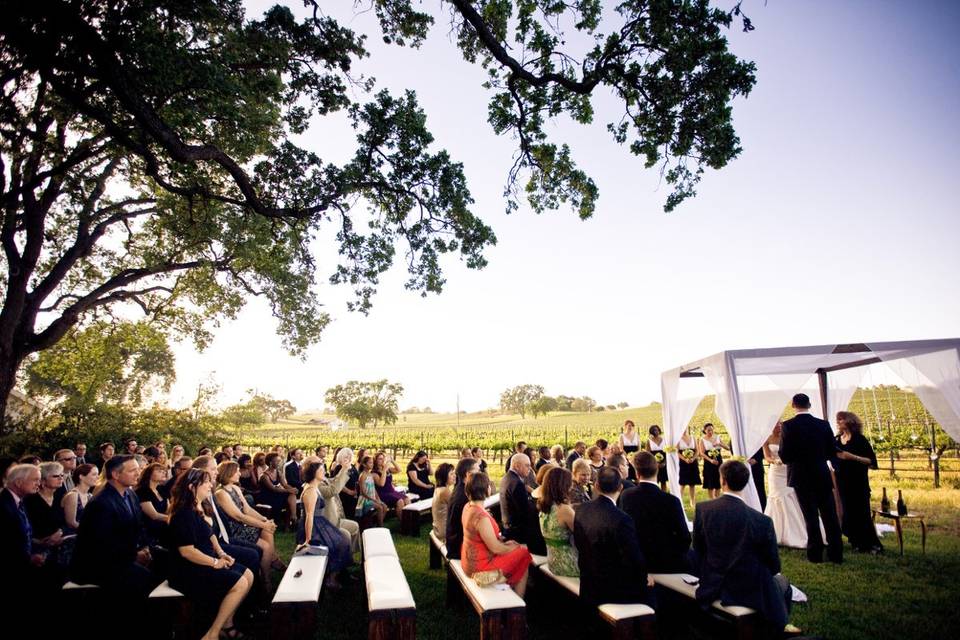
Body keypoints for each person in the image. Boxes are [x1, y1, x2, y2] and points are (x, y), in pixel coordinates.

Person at [692, 461, 794, 636]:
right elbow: (773, 566)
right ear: (746, 483)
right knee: (783, 584)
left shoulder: (703, 509)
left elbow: (698, 549)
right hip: (748, 589)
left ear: (722, 481)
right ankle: (778, 627)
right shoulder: (761, 521)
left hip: (712, 583)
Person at [168, 469, 254, 640]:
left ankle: (226, 625)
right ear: (192, 487)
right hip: (188, 568)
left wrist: (221, 553)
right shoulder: (183, 513)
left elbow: (210, 533)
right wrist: (215, 562)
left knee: (248, 575)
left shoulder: (201, 505)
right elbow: (187, 551)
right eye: (206, 482)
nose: (211, 485)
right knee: (240, 583)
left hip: (205, 558)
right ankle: (211, 634)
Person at [71, 456, 162, 603]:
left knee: (166, 565)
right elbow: (101, 544)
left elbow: (138, 527)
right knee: (147, 581)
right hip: (99, 565)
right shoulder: (101, 503)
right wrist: (134, 555)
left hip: (123, 557)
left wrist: (145, 548)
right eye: (133, 470)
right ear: (115, 474)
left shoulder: (130, 494)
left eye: (138, 470)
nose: (138, 474)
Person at [778, 393, 844, 564]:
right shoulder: (823, 424)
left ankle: (815, 555)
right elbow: (831, 451)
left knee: (810, 516)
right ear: (810, 404)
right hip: (821, 474)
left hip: (801, 477)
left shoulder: (788, 426)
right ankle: (836, 554)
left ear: (793, 405)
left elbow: (785, 456)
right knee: (829, 515)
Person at [574, 467, 652, 608]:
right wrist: (645, 577)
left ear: (596, 486)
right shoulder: (622, 519)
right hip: (613, 589)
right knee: (652, 594)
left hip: (588, 581)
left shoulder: (581, 509)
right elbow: (633, 559)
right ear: (621, 487)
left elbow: (580, 545)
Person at [620, 452, 692, 573]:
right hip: (667, 563)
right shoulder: (671, 501)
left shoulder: (626, 496)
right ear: (657, 470)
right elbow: (684, 537)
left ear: (637, 474)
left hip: (637, 560)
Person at [462, 472, 532, 596]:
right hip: (480, 568)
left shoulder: (468, 507)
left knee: (519, 553)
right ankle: (517, 604)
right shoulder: (481, 517)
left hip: (469, 561)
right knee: (524, 553)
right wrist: (513, 546)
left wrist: (505, 542)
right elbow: (496, 548)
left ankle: (512, 594)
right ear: (486, 489)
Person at [215, 461, 283, 583]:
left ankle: (268, 564)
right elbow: (239, 516)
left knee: (267, 531)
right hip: (233, 530)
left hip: (242, 525)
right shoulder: (221, 493)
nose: (239, 474)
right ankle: (266, 577)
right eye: (236, 472)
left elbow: (247, 509)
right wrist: (263, 524)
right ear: (228, 473)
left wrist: (265, 520)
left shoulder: (235, 488)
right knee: (266, 546)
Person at [297, 460, 352, 588]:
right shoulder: (310, 490)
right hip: (315, 527)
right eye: (321, 470)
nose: (324, 472)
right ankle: (331, 578)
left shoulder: (315, 486)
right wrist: (308, 539)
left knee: (343, 539)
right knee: (340, 541)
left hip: (320, 523)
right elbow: (309, 516)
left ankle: (336, 574)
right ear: (313, 473)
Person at [834, 411, 883, 553]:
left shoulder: (859, 440)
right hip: (842, 482)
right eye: (837, 420)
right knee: (848, 512)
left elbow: (871, 461)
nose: (838, 422)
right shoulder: (836, 440)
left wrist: (852, 457)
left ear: (850, 421)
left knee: (862, 512)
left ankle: (870, 544)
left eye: (841, 419)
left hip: (858, 482)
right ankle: (855, 541)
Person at [1, 464, 49, 603]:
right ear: (18, 482)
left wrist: (39, 543)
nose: (39, 484)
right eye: (35, 480)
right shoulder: (3, 506)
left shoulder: (18, 502)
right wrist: (28, 558)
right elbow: (5, 544)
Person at [763, 421, 815, 548]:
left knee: (792, 496)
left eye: (780, 425)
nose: (779, 427)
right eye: (776, 425)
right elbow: (767, 457)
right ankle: (778, 532)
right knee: (776, 497)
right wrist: (774, 461)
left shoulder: (787, 436)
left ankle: (797, 531)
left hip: (789, 469)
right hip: (775, 472)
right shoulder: (766, 439)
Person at [499, 453, 546, 555]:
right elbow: (526, 512)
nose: (529, 469)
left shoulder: (506, 478)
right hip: (516, 532)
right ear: (517, 466)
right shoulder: (517, 483)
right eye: (527, 465)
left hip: (508, 528)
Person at [317, 448, 361, 553]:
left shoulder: (323, 480)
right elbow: (333, 490)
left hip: (336, 519)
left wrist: (344, 469)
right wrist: (344, 469)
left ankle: (351, 554)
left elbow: (334, 480)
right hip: (327, 523)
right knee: (345, 534)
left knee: (355, 526)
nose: (323, 469)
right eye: (321, 468)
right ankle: (343, 561)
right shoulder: (315, 485)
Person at [537, 466, 578, 577]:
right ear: (563, 486)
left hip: (552, 561)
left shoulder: (543, 506)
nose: (571, 487)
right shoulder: (564, 509)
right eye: (570, 483)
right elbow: (583, 536)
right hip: (568, 563)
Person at [24, 461, 66, 558]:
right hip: (35, 550)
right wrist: (40, 541)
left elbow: (65, 522)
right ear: (42, 480)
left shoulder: (61, 496)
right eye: (55, 476)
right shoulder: (29, 500)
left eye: (62, 475)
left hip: (59, 547)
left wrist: (60, 532)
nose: (60, 478)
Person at [445, 457, 479, 560]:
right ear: (468, 474)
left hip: (455, 542)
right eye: (477, 470)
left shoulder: (461, 488)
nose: (480, 473)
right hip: (459, 548)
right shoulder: (464, 495)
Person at [260, 452, 298, 528]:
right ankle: (293, 520)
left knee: (292, 494)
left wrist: (292, 489)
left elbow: (284, 485)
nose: (279, 463)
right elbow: (273, 489)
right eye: (277, 461)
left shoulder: (278, 472)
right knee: (289, 496)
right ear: (271, 462)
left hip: (277, 494)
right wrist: (288, 490)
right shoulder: (264, 476)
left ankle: (293, 517)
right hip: (268, 497)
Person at [135, 462, 169, 546]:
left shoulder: (161, 489)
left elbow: (169, 509)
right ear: (149, 474)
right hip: (148, 532)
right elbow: (154, 515)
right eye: (159, 471)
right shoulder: (142, 491)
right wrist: (174, 519)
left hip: (163, 529)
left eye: (164, 471)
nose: (163, 472)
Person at [373, 452, 410, 519]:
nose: (383, 460)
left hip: (392, 491)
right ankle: (402, 523)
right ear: (375, 461)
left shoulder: (388, 469)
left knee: (407, 499)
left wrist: (392, 460)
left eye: (383, 458)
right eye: (380, 459)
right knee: (400, 501)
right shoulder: (374, 473)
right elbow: (381, 484)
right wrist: (384, 470)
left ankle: (409, 519)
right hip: (383, 494)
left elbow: (399, 470)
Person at [62, 463, 98, 532]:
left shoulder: (90, 496)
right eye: (94, 474)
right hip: (71, 535)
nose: (98, 477)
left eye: (97, 474)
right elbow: (71, 523)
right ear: (81, 476)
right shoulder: (73, 495)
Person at [356, 455, 388, 528]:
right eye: (370, 463)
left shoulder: (371, 475)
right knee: (380, 507)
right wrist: (373, 500)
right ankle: (381, 526)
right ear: (364, 464)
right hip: (364, 500)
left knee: (385, 506)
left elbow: (373, 489)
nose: (372, 464)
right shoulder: (362, 475)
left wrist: (378, 499)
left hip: (372, 498)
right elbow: (362, 492)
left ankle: (377, 523)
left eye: (372, 463)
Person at [699, 424, 728, 499]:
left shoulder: (717, 437)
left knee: (718, 480)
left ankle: (717, 497)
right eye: (708, 430)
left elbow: (728, 448)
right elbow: (701, 453)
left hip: (718, 461)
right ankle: (711, 499)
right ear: (705, 430)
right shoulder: (702, 439)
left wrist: (719, 444)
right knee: (710, 481)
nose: (710, 431)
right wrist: (710, 460)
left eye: (711, 430)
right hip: (709, 462)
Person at [677, 429, 700, 511]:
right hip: (683, 463)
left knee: (692, 483)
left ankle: (692, 502)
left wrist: (693, 458)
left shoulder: (693, 437)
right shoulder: (678, 438)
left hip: (693, 462)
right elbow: (677, 452)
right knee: (682, 483)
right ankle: (679, 501)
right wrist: (685, 459)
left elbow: (697, 450)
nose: (684, 430)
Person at [431, 463, 455, 541]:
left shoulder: (438, 488)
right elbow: (457, 508)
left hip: (437, 528)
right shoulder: (445, 491)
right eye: (451, 474)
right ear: (444, 476)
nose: (455, 476)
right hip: (444, 532)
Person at [645, 425, 669, 490]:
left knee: (663, 481)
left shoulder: (665, 440)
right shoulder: (649, 441)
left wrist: (664, 462)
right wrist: (655, 463)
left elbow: (667, 452)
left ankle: (664, 496)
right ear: (651, 432)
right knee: (655, 481)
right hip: (654, 464)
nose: (656, 432)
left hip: (663, 463)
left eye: (657, 430)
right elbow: (648, 454)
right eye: (654, 430)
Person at [749, 445, 767, 512]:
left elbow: (762, 449)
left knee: (760, 491)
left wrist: (756, 459)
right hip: (743, 468)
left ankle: (762, 510)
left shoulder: (756, 435)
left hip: (757, 468)